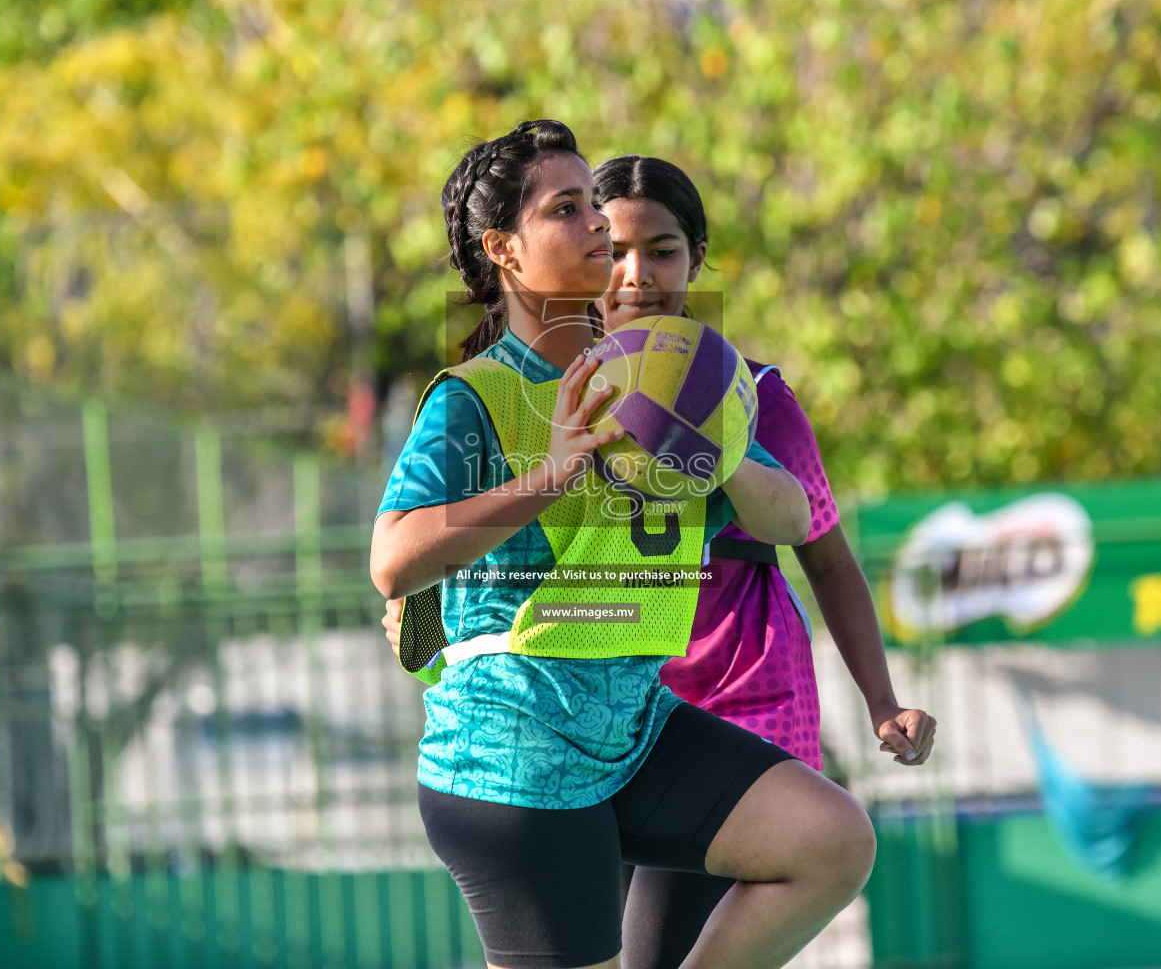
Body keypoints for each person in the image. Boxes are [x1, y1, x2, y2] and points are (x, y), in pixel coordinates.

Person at [370, 119, 877, 969]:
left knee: (830, 841)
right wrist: (553, 474)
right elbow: (392, 559)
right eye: (568, 209)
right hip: (514, 756)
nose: (599, 225)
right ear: (505, 250)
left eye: (592, 204)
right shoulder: (476, 397)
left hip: (635, 732)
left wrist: (721, 462)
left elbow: (792, 522)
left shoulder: (661, 376)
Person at [590, 154, 937, 969]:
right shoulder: (544, 396)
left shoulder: (750, 395)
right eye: (612, 249)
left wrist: (883, 701)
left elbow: (829, 559)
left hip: (740, 711)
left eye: (664, 249)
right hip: (601, 718)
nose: (637, 273)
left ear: (698, 257)